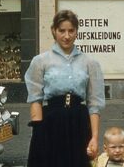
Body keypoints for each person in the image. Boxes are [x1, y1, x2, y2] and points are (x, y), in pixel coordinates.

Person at [25, 10, 105, 167]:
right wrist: (38, 132)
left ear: (76, 32)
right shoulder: (40, 61)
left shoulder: (90, 63)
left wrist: (94, 137)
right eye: (62, 30)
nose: (66, 36)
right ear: (54, 31)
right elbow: (35, 98)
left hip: (79, 124)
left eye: (71, 31)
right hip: (50, 124)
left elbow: (94, 103)